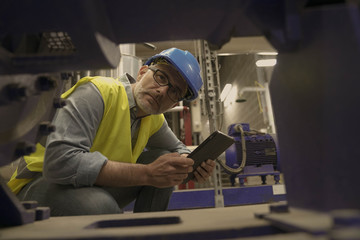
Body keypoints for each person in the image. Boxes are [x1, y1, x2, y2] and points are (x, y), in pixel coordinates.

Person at [7, 48, 216, 216]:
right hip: (38, 185)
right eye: (161, 77)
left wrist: (190, 164)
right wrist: (147, 173)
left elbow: (178, 150)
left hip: (88, 187)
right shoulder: (97, 92)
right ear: (142, 72)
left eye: (174, 92)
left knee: (167, 158)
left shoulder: (154, 120)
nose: (162, 91)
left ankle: (150, 230)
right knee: (101, 206)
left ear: (173, 105)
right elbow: (59, 164)